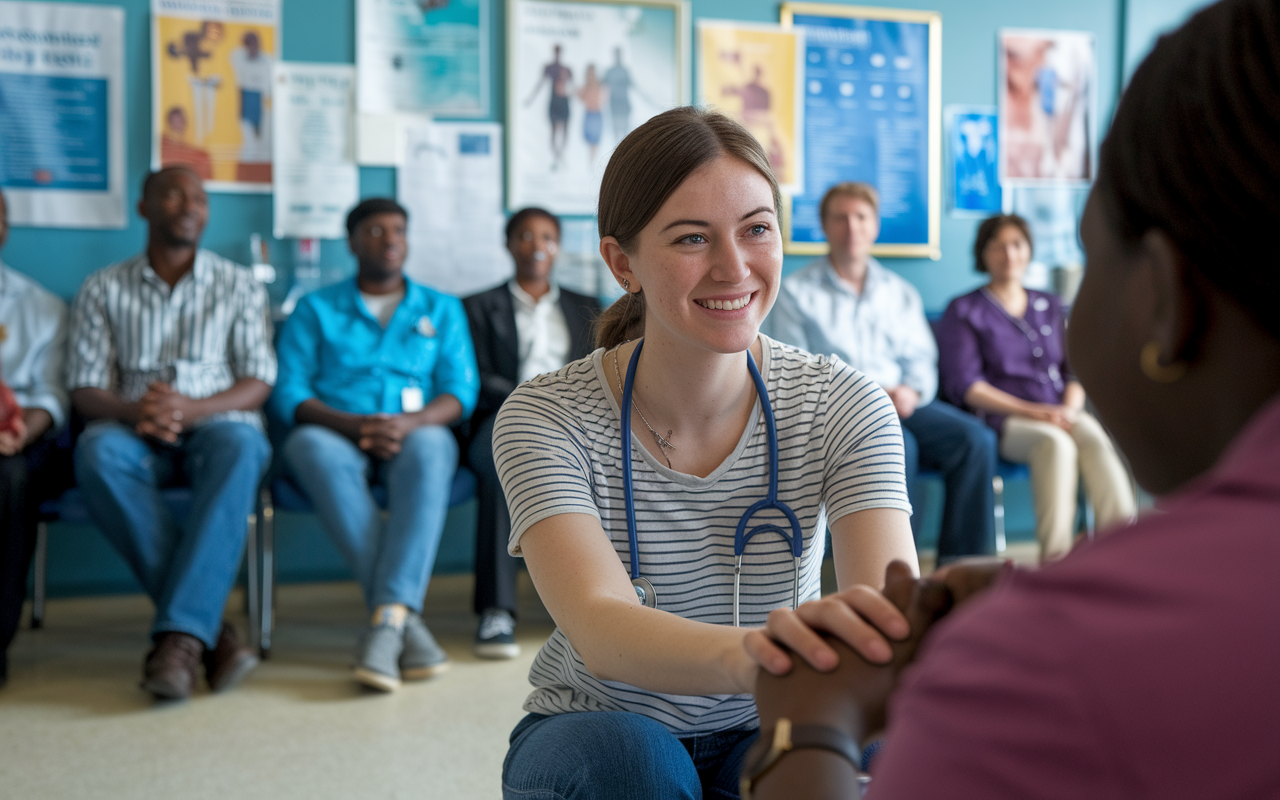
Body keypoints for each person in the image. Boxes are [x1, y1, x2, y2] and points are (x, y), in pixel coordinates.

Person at [744, 1, 1280, 796]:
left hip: (908, 403)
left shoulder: (1033, 672)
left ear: (1165, 300)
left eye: (1089, 258)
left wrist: (807, 729)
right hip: (847, 407)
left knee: (959, 440)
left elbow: (923, 365)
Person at [495, 106, 918, 800]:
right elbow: (602, 627)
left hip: (774, 717)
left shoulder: (843, 403)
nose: (734, 267)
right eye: (692, 238)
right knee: (636, 768)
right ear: (621, 262)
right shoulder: (546, 417)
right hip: (602, 723)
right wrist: (770, 656)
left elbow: (880, 618)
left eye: (756, 229)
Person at [67, 167, 274, 700]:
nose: (189, 205)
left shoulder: (238, 285)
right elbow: (85, 388)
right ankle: (209, 635)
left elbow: (257, 380)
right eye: (174, 194)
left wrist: (192, 407)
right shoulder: (102, 286)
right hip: (134, 429)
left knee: (245, 443)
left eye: (200, 198)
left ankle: (180, 639)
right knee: (95, 451)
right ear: (144, 207)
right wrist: (139, 412)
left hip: (217, 425)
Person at [270, 198, 479, 692]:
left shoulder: (440, 308)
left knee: (434, 447)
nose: (390, 240)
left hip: (415, 431)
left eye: (399, 230)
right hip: (336, 431)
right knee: (308, 446)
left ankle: (388, 621)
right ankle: (404, 621)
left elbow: (460, 392)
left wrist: (412, 423)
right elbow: (289, 393)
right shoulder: (315, 309)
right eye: (376, 231)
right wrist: (354, 425)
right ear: (353, 242)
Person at [768, 182, 998, 562]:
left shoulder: (899, 292)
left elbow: (921, 361)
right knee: (898, 446)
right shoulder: (795, 293)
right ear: (824, 226)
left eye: (861, 218)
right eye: (840, 218)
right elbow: (796, 369)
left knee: (976, 441)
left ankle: (962, 566)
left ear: (875, 227)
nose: (852, 227)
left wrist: (911, 391)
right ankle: (893, 570)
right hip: (839, 409)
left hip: (903, 401)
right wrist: (868, 395)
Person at [938, 213, 1135, 560]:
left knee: (1093, 436)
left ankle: (1125, 550)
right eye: (997, 246)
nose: (1008, 254)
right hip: (1004, 420)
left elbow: (1075, 371)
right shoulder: (965, 309)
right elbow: (967, 386)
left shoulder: (1051, 305)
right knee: (1055, 444)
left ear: (1029, 251)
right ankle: (1055, 560)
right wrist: (1038, 413)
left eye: (1016, 244)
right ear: (983, 254)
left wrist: (1067, 411)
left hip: (1058, 411)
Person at [461, 207, 600, 659]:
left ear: (558, 246)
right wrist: (532, 400)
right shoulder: (478, 307)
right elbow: (476, 377)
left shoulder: (588, 307)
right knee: (507, 463)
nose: (536, 245)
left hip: (576, 422)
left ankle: (599, 604)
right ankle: (497, 611)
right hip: (502, 418)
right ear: (508, 245)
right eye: (524, 236)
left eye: (546, 237)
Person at [0, 190, 71, 689]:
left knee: (8, 478)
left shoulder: (40, 306)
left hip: (17, 440)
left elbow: (51, 394)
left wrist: (19, 430)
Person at [525, 44, 574, 171]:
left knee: (564, 131)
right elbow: (540, 83)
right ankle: (558, 158)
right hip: (554, 102)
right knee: (554, 131)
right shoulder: (549, 68)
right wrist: (530, 99)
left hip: (564, 102)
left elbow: (573, 87)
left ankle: (560, 156)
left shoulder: (566, 69)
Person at [577, 65, 607, 165]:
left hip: (596, 114)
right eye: (589, 72)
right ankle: (591, 162)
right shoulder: (586, 85)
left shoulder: (600, 82)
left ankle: (593, 162)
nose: (591, 74)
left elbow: (604, 95)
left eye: (592, 71)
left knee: (595, 140)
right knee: (590, 140)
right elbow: (581, 98)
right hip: (589, 114)